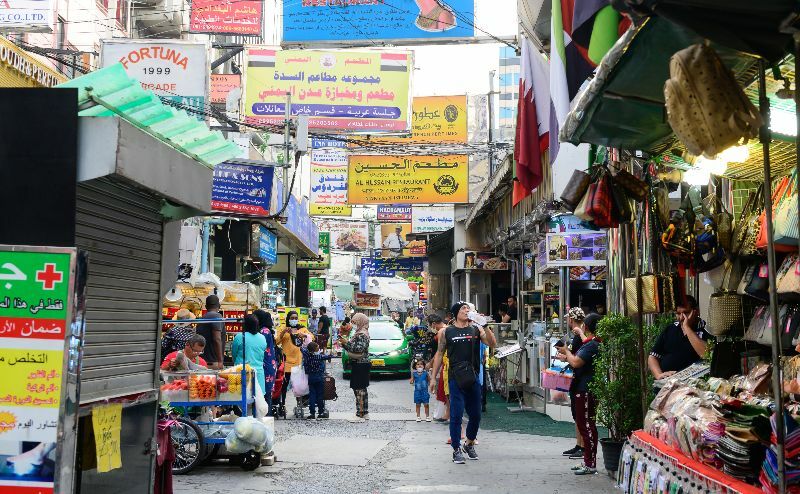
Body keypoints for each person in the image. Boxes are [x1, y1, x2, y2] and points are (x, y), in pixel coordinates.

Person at [430, 302, 496, 464]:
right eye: (463, 309)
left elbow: (492, 343)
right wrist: (433, 377)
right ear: (455, 313)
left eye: (468, 309)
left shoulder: (476, 329)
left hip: (472, 377)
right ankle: (456, 449)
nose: (467, 311)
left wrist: (485, 325)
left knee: (476, 415)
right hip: (455, 378)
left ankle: (469, 443)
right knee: (456, 414)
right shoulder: (446, 331)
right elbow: (439, 354)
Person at [556, 313, 601, 475]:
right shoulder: (589, 343)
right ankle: (587, 461)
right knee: (584, 425)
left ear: (586, 327)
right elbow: (575, 360)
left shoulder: (592, 345)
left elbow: (576, 361)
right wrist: (567, 355)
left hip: (585, 389)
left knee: (587, 426)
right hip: (581, 387)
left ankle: (590, 464)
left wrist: (567, 351)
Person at [648, 296, 710, 380]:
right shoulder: (670, 329)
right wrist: (659, 375)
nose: (681, 317)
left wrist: (687, 327)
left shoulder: (706, 330)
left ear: (696, 312)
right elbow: (653, 357)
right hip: (667, 384)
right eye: (678, 313)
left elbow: (707, 355)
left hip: (693, 385)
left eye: (686, 313)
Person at [562, 307, 587, 460]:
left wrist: (566, 354)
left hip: (581, 378)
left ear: (571, 319)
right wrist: (566, 357)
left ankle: (583, 446)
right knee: (577, 414)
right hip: (577, 377)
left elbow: (577, 359)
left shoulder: (580, 335)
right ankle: (579, 444)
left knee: (581, 415)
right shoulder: (578, 335)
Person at [277, 311, 312, 410]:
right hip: (286, 363)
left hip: (298, 362)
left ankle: (300, 405)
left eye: (295, 318)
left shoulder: (302, 329)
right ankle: (282, 404)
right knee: (284, 386)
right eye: (291, 318)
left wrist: (304, 335)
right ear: (288, 319)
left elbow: (311, 338)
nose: (293, 320)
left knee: (299, 387)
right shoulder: (283, 329)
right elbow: (276, 341)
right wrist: (284, 332)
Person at [340, 313, 371, 422]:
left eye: (355, 322)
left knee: (359, 389)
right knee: (360, 388)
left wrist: (346, 343)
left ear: (361, 322)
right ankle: (364, 412)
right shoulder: (360, 333)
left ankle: (360, 414)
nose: (354, 324)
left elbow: (358, 349)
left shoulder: (362, 334)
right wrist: (344, 343)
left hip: (360, 364)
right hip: (359, 363)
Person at [231, 314, 268, 396]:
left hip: (242, 374)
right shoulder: (262, 338)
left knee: (241, 402)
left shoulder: (239, 337)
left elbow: (234, 354)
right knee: (257, 401)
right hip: (258, 375)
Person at [301, 341, 333, 420]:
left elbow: (301, 349)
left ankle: (312, 413)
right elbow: (328, 357)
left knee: (312, 395)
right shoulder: (319, 357)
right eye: (317, 347)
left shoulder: (307, 355)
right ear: (315, 349)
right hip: (319, 377)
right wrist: (331, 354)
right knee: (320, 395)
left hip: (311, 377)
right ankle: (321, 412)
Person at [254, 309, 278, 411]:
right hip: (268, 365)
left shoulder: (264, 331)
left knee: (265, 393)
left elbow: (259, 347)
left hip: (266, 366)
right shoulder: (266, 330)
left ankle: (266, 416)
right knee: (264, 393)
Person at [196, 295, 225, 369]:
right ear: (219, 306)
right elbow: (217, 339)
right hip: (213, 362)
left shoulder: (201, 319)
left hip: (201, 361)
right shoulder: (217, 316)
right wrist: (220, 361)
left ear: (206, 306)